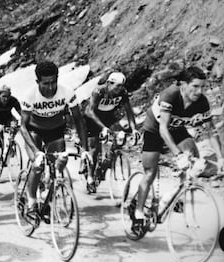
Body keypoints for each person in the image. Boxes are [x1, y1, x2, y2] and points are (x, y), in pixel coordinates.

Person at [133, 66, 224, 235]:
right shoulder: (171, 95)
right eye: (195, 86)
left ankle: (174, 196)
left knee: (193, 160)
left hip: (177, 130)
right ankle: (138, 213)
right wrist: (178, 155)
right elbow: (163, 129)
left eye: (202, 87)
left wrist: (220, 158)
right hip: (155, 130)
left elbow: (211, 131)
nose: (199, 91)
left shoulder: (201, 102)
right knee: (150, 172)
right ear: (183, 84)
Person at [20, 61, 89, 215]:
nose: (50, 87)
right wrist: (35, 151)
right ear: (38, 82)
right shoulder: (30, 95)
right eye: (46, 83)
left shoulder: (66, 92)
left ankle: (47, 194)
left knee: (59, 165)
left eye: (53, 82)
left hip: (55, 131)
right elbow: (22, 126)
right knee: (37, 166)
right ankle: (31, 202)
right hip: (34, 131)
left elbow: (79, 120)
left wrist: (84, 149)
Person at [80, 72, 140, 187]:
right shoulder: (99, 91)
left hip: (108, 116)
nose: (120, 88)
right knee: (95, 147)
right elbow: (90, 111)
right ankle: (90, 177)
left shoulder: (123, 93)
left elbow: (129, 111)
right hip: (92, 117)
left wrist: (134, 129)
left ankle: (104, 166)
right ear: (108, 83)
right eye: (117, 86)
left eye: (122, 85)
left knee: (117, 141)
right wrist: (103, 128)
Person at [0, 84, 22, 169]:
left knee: (15, 125)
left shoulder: (13, 100)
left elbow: (21, 113)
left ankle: (10, 146)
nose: (6, 99)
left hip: (8, 118)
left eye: (8, 96)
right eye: (3, 96)